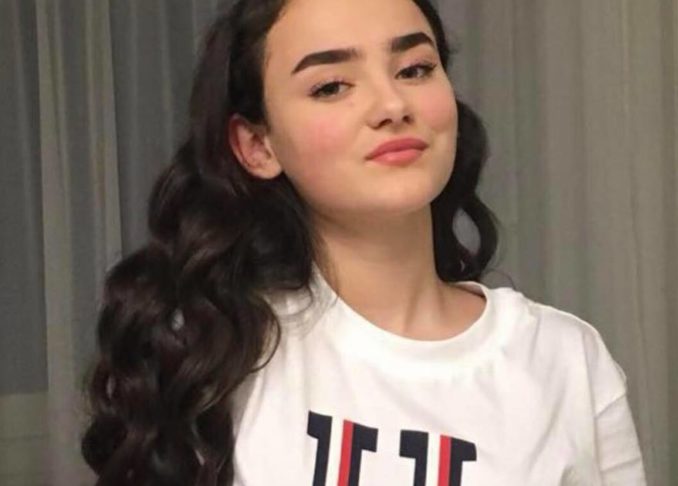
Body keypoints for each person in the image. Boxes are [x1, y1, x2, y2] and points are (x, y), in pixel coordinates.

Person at [81, 0, 647, 484]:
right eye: (331, 86)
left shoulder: (564, 360)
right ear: (257, 145)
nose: (392, 105)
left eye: (415, 69)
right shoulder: (214, 355)